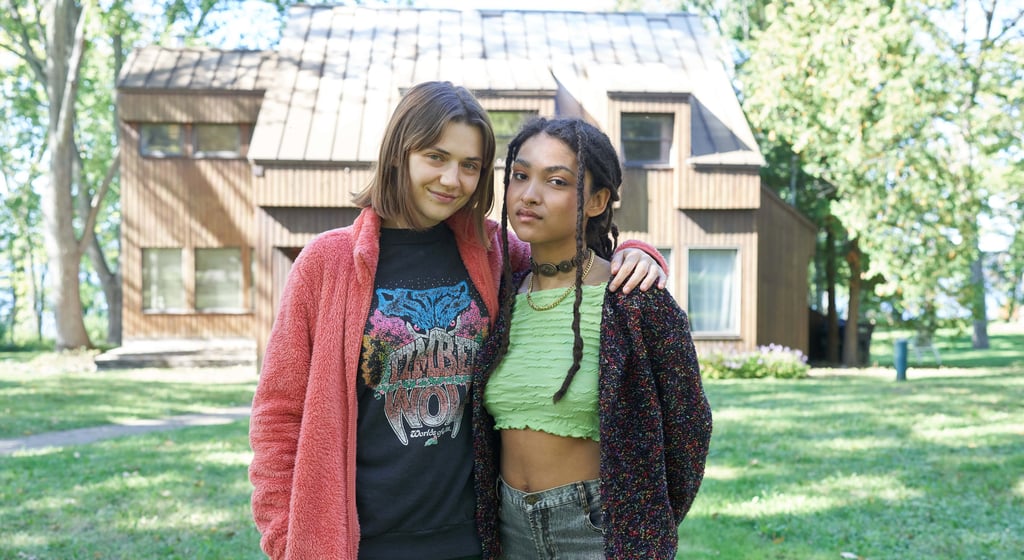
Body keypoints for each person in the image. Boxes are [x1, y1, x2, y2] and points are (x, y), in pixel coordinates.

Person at [248, 82, 669, 560]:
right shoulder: (328, 263)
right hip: (360, 541)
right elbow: (278, 414)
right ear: (399, 154)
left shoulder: (491, 252)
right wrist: (283, 537)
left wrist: (638, 252)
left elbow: (568, 257)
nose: (452, 179)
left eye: (470, 165)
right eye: (436, 157)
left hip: (473, 540)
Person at [471, 117, 713, 559]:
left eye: (556, 181)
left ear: (597, 201)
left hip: (598, 532)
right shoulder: (503, 295)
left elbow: (689, 429)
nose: (529, 194)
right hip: (509, 533)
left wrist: (646, 523)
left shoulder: (635, 300)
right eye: (520, 175)